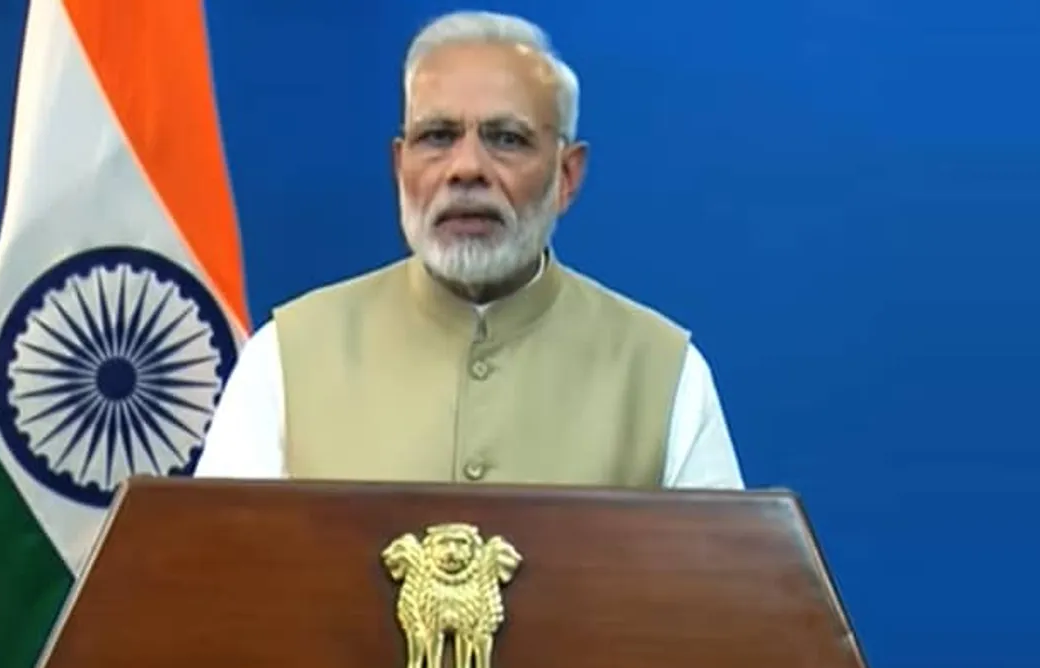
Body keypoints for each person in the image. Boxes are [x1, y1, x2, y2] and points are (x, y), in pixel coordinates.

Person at [195, 10, 744, 489]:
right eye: (437, 136)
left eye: (507, 139)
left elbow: (723, 599)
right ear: (399, 165)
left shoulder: (663, 372)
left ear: (567, 176)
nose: (466, 169)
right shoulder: (287, 357)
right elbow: (209, 582)